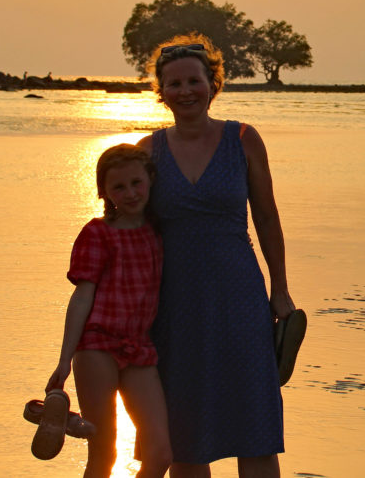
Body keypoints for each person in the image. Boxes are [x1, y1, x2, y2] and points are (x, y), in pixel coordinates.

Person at [138, 34, 296, 478]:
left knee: (255, 427)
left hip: (239, 296)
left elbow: (267, 218)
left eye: (194, 80)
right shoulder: (147, 152)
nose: (185, 91)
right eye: (174, 83)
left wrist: (280, 290)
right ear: (162, 92)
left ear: (213, 84)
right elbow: (133, 233)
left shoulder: (243, 138)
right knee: (185, 439)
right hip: (174, 305)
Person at [44, 144, 172, 477]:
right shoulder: (97, 233)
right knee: (104, 452)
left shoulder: (159, 231)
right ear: (104, 192)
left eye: (136, 183)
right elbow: (82, 298)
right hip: (97, 346)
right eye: (119, 187)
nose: (130, 193)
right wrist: (64, 360)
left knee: (160, 453)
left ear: (150, 180)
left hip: (139, 347)